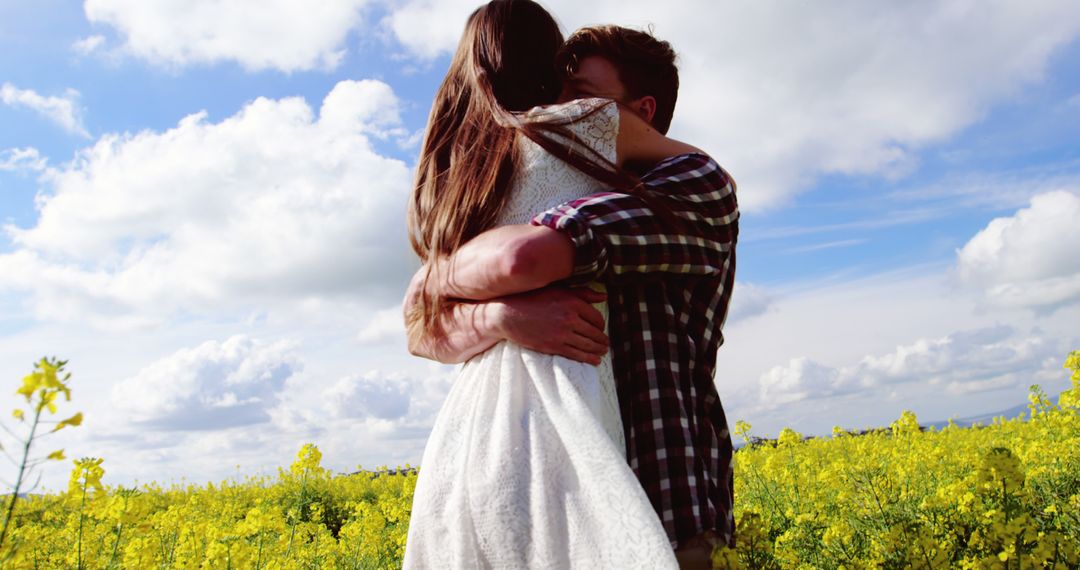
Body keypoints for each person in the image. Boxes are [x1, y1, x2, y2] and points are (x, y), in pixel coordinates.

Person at [402, 2, 738, 569]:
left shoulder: (686, 192)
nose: (552, 111)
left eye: (577, 94)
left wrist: (435, 275)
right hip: (537, 473)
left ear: (638, 112)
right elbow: (421, 328)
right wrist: (497, 318)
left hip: (662, 489)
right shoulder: (556, 175)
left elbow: (519, 258)